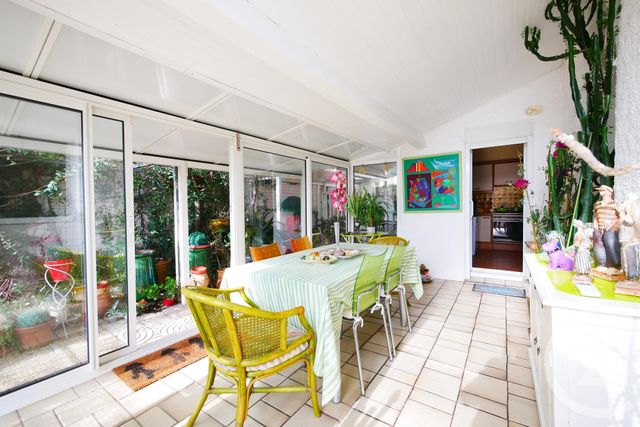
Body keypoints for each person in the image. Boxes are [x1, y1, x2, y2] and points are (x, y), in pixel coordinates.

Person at [593, 185, 623, 269]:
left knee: (611, 245)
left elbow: (621, 216)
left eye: (603, 190)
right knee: (599, 246)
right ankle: (602, 264)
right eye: (601, 190)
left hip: (610, 230)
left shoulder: (615, 204)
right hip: (600, 230)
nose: (601, 192)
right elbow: (595, 216)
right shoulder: (597, 204)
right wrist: (596, 228)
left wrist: (614, 227)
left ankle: (614, 266)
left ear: (609, 192)